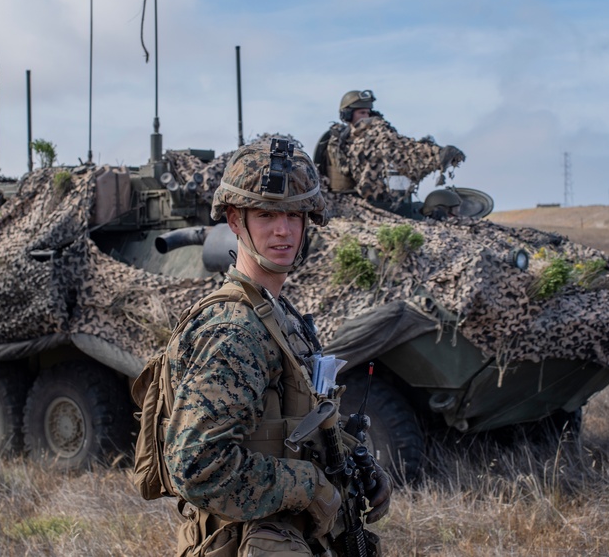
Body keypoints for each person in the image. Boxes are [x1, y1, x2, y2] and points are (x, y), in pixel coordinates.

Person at [162, 136, 392, 556]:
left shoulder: (275, 313)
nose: (283, 230)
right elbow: (196, 468)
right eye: (266, 214)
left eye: (293, 214)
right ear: (235, 220)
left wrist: (358, 465)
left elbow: (294, 424)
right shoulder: (235, 331)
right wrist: (309, 487)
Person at [313, 89, 467, 213]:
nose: (366, 118)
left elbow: (404, 149)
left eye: (368, 113)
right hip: (343, 203)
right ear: (347, 114)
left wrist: (437, 154)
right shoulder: (334, 140)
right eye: (361, 113)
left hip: (379, 203)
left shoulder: (379, 136)